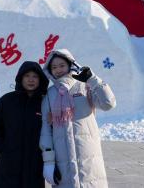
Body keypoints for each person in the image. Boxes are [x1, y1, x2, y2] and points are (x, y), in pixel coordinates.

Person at [40, 49, 115, 188]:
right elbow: (46, 129)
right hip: (63, 161)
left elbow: (108, 104)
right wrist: (49, 162)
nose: (58, 70)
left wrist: (93, 79)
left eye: (62, 65)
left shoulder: (85, 86)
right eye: (54, 67)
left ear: (70, 65)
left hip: (88, 155)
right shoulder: (49, 94)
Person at [0, 61, 49, 188]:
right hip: (9, 161)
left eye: (35, 76)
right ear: (21, 78)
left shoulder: (45, 102)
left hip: (34, 161)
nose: (31, 80)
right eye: (27, 76)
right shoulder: (7, 100)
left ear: (40, 79)